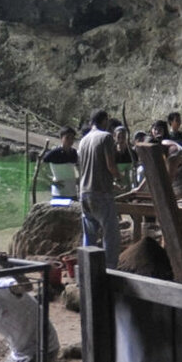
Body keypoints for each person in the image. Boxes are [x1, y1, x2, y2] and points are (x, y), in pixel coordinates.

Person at [76, 109, 121, 264]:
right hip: (101, 193)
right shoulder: (106, 137)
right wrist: (120, 177)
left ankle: (87, 269)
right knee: (111, 236)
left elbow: (84, 167)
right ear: (104, 121)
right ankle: (110, 272)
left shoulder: (83, 140)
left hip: (84, 192)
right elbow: (110, 165)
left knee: (89, 236)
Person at [37, 128, 80, 201]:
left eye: (72, 138)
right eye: (67, 138)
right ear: (61, 138)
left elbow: (77, 168)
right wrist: (50, 180)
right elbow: (39, 167)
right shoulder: (54, 153)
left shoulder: (74, 153)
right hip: (59, 192)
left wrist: (78, 180)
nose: (70, 141)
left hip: (73, 192)